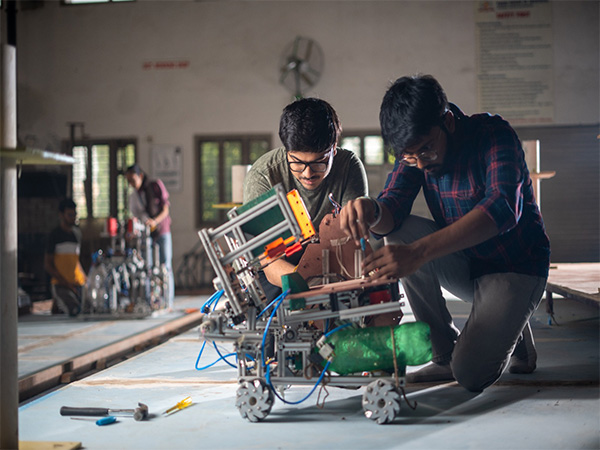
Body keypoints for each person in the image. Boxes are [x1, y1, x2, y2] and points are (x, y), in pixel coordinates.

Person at [340, 74, 550, 393]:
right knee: (399, 233)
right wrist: (371, 210)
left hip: (516, 268)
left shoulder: (493, 134)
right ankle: (444, 353)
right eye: (410, 156)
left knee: (469, 374)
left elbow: (502, 209)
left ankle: (512, 318)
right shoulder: (415, 149)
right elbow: (392, 209)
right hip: (468, 266)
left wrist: (420, 253)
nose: (421, 163)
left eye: (427, 150)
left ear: (448, 122)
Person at [243, 97, 368, 296]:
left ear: (334, 148)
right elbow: (267, 260)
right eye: (297, 162)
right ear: (287, 151)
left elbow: (352, 239)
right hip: (280, 266)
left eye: (319, 162)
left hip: (332, 259)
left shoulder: (348, 165)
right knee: (288, 314)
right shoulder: (264, 175)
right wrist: (306, 281)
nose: (307, 174)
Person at [125, 164, 174, 310]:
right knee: (148, 268)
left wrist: (155, 221)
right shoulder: (134, 196)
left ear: (140, 176)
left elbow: (165, 209)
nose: (131, 184)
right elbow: (135, 217)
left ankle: (168, 302)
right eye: (128, 181)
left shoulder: (155, 185)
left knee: (165, 266)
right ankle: (150, 301)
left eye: (132, 179)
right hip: (147, 236)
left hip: (162, 230)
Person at [44, 198, 87, 316]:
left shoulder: (77, 234)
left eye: (74, 214)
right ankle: (57, 301)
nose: (73, 217)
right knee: (74, 310)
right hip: (60, 284)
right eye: (69, 215)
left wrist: (85, 279)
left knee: (89, 309)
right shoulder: (55, 235)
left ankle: (57, 305)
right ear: (61, 215)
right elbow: (48, 264)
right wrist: (65, 283)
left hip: (78, 284)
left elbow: (76, 261)